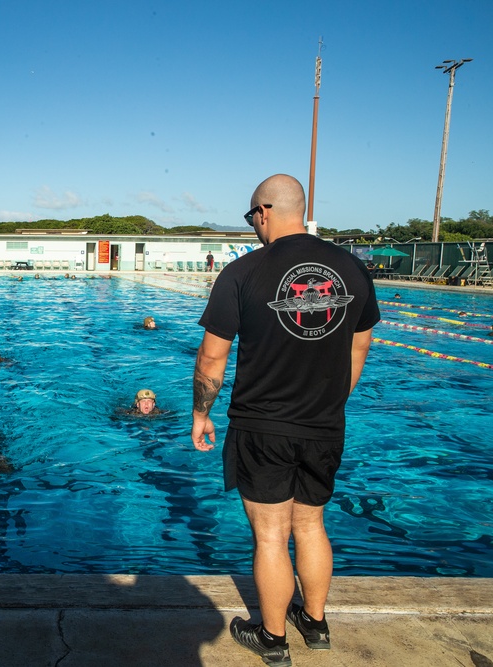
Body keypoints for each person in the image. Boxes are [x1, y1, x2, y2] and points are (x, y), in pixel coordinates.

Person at [190, 174, 378, 667]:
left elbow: (212, 360)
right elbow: (360, 344)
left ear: (265, 211)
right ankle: (314, 623)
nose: (253, 225)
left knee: (271, 533)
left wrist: (200, 414)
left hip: (262, 426)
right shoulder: (352, 269)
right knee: (312, 525)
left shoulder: (242, 272)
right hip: (324, 424)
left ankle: (273, 639)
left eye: (251, 216)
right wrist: (332, 399)